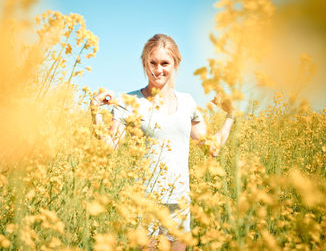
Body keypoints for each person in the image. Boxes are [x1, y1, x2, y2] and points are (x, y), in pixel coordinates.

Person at [91, 34, 234, 251]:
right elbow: (108, 147)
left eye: (165, 63)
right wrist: (95, 113)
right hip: (143, 203)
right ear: (144, 64)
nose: (158, 70)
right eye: (153, 63)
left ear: (176, 63)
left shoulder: (187, 102)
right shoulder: (129, 102)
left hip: (179, 202)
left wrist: (231, 115)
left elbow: (211, 148)